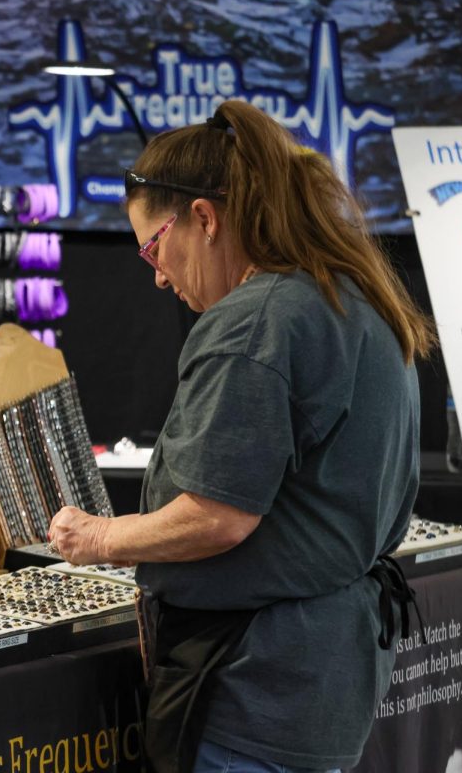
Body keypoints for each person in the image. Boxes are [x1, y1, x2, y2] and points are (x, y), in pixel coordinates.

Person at [48, 101, 435, 773]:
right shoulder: (356, 299)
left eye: (153, 247)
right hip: (321, 683)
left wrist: (99, 539)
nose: (159, 275)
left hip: (253, 690)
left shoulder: (255, 323)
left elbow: (218, 517)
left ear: (203, 218)